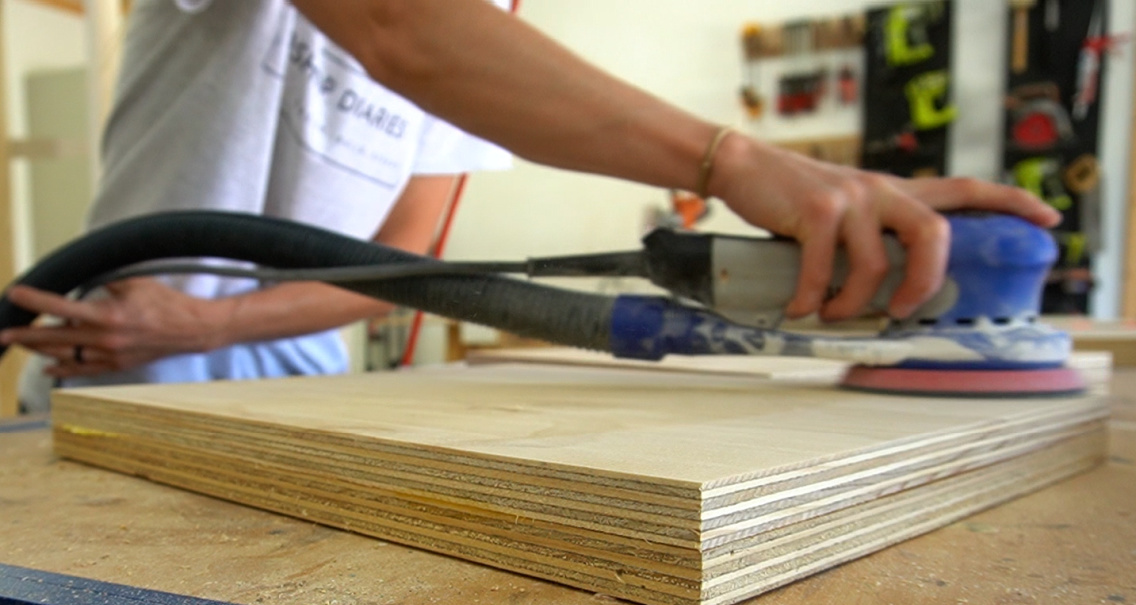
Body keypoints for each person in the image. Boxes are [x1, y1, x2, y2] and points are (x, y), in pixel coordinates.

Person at [0, 0, 1059, 389]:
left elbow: (406, 264)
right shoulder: (441, 31)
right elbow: (401, 28)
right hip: (114, 350)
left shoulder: (489, 18)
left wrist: (214, 319)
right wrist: (743, 162)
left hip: (295, 390)